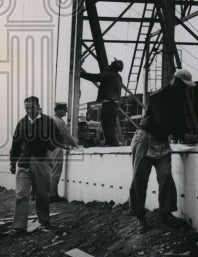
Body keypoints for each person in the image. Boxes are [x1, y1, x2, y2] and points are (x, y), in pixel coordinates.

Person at [129, 69, 198, 233]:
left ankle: (166, 213)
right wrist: (183, 134)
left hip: (161, 140)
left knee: (166, 175)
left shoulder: (177, 97)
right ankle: (140, 218)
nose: (185, 89)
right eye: (184, 85)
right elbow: (163, 120)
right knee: (140, 179)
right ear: (176, 81)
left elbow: (178, 120)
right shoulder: (159, 96)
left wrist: (185, 134)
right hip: (146, 139)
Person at [9, 96, 73, 234]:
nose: (29, 110)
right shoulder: (22, 123)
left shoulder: (48, 121)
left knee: (42, 194)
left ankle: (44, 221)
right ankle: (18, 226)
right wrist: (13, 163)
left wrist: (50, 149)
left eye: (32, 107)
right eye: (26, 108)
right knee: (21, 194)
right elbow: (16, 144)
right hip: (24, 163)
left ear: (38, 107)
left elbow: (59, 138)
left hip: (42, 161)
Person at [80, 59, 124, 146]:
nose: (109, 65)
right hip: (114, 106)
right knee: (111, 127)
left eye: (111, 64)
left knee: (107, 127)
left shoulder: (109, 75)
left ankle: (111, 146)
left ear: (113, 66)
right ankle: (113, 145)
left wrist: (81, 74)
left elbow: (95, 77)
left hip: (108, 105)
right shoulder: (118, 77)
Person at [48, 102, 80, 200]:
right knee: (56, 173)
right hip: (56, 149)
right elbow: (67, 136)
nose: (65, 111)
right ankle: (52, 196)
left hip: (49, 149)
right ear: (57, 110)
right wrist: (76, 146)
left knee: (50, 172)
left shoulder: (50, 120)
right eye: (64, 109)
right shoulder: (59, 121)